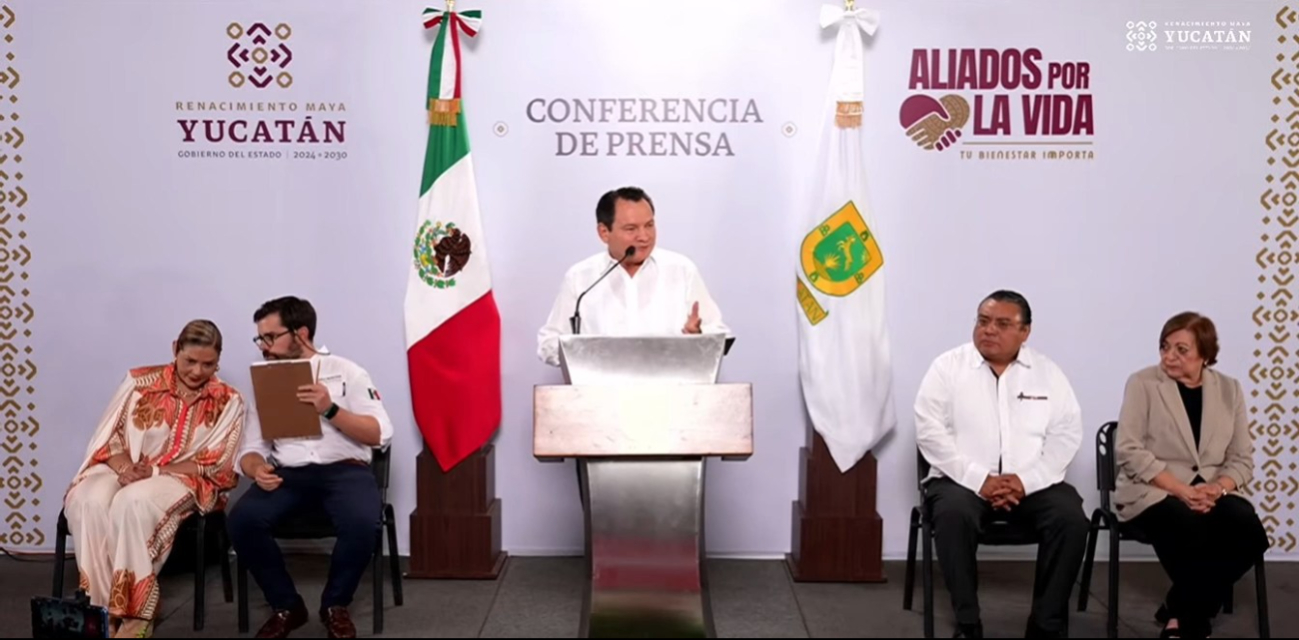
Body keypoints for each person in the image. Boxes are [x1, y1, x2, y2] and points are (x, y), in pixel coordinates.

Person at [914, 290, 1089, 639]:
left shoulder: (1047, 373)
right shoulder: (947, 367)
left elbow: (1066, 433)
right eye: (983, 321)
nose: (989, 330)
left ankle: (1045, 625)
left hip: (1031, 484)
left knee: (1070, 518)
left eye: (1003, 324)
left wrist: (1026, 481)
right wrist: (980, 479)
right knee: (953, 514)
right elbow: (930, 433)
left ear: (1025, 332)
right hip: (960, 482)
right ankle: (968, 623)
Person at [63, 320, 246, 639]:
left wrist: (155, 472)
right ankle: (101, 611)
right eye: (190, 361)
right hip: (122, 466)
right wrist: (125, 468)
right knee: (88, 500)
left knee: (132, 501)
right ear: (175, 349)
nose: (197, 371)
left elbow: (218, 465)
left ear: (218, 360)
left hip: (182, 477)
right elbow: (109, 438)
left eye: (208, 364)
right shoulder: (138, 383)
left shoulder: (229, 400)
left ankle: (136, 613)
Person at [226, 296, 394, 639]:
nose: (263, 346)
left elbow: (381, 434)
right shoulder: (265, 382)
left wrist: (330, 409)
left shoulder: (347, 371)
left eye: (270, 337)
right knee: (242, 519)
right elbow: (252, 448)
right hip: (290, 474)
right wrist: (256, 469)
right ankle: (287, 606)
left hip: (345, 472)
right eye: (260, 338)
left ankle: (335, 605)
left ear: (301, 334)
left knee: (362, 521)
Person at [1114, 312, 1269, 639]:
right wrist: (1181, 490)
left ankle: (1179, 605)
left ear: (1205, 354)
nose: (1169, 356)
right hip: (1153, 490)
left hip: (1211, 491)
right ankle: (1192, 624)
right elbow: (1128, 449)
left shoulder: (1230, 389)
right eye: (1164, 346)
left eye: (1181, 350)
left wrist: (1217, 489)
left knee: (1250, 531)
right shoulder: (1142, 383)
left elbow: (1241, 459)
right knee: (1188, 526)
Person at [536, 186, 729, 366]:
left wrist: (699, 338)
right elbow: (548, 342)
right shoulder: (581, 278)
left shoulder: (681, 270)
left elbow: (719, 334)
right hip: (601, 390)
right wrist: (582, 354)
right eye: (631, 229)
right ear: (604, 232)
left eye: (649, 225)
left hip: (671, 388)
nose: (644, 236)